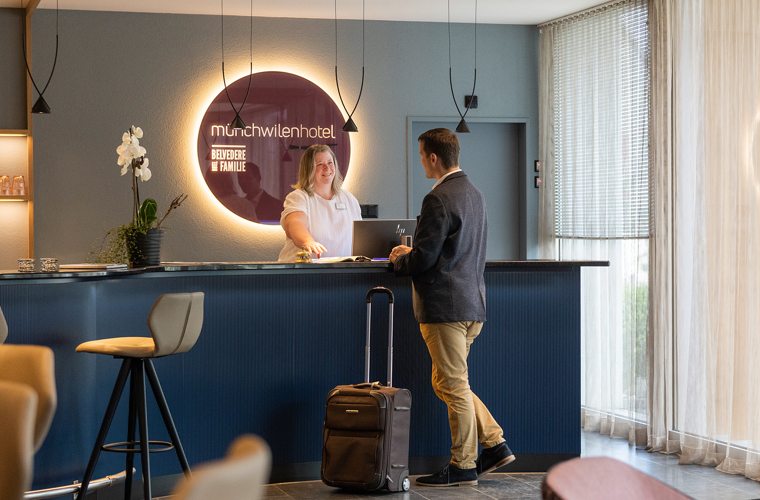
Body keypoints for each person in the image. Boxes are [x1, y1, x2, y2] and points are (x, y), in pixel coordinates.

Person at [390, 128, 514, 487]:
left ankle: (464, 464)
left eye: (421, 156)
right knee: (447, 381)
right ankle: (494, 443)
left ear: (433, 157)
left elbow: (424, 258)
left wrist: (400, 258)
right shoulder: (475, 194)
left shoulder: (438, 198)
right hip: (472, 305)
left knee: (454, 384)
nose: (421, 161)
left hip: (445, 308)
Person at [278, 145, 361, 262]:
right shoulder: (299, 197)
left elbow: (359, 238)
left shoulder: (349, 198)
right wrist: (308, 241)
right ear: (309, 169)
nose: (327, 168)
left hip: (343, 271)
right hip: (303, 271)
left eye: (330, 162)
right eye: (320, 164)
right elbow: (294, 223)